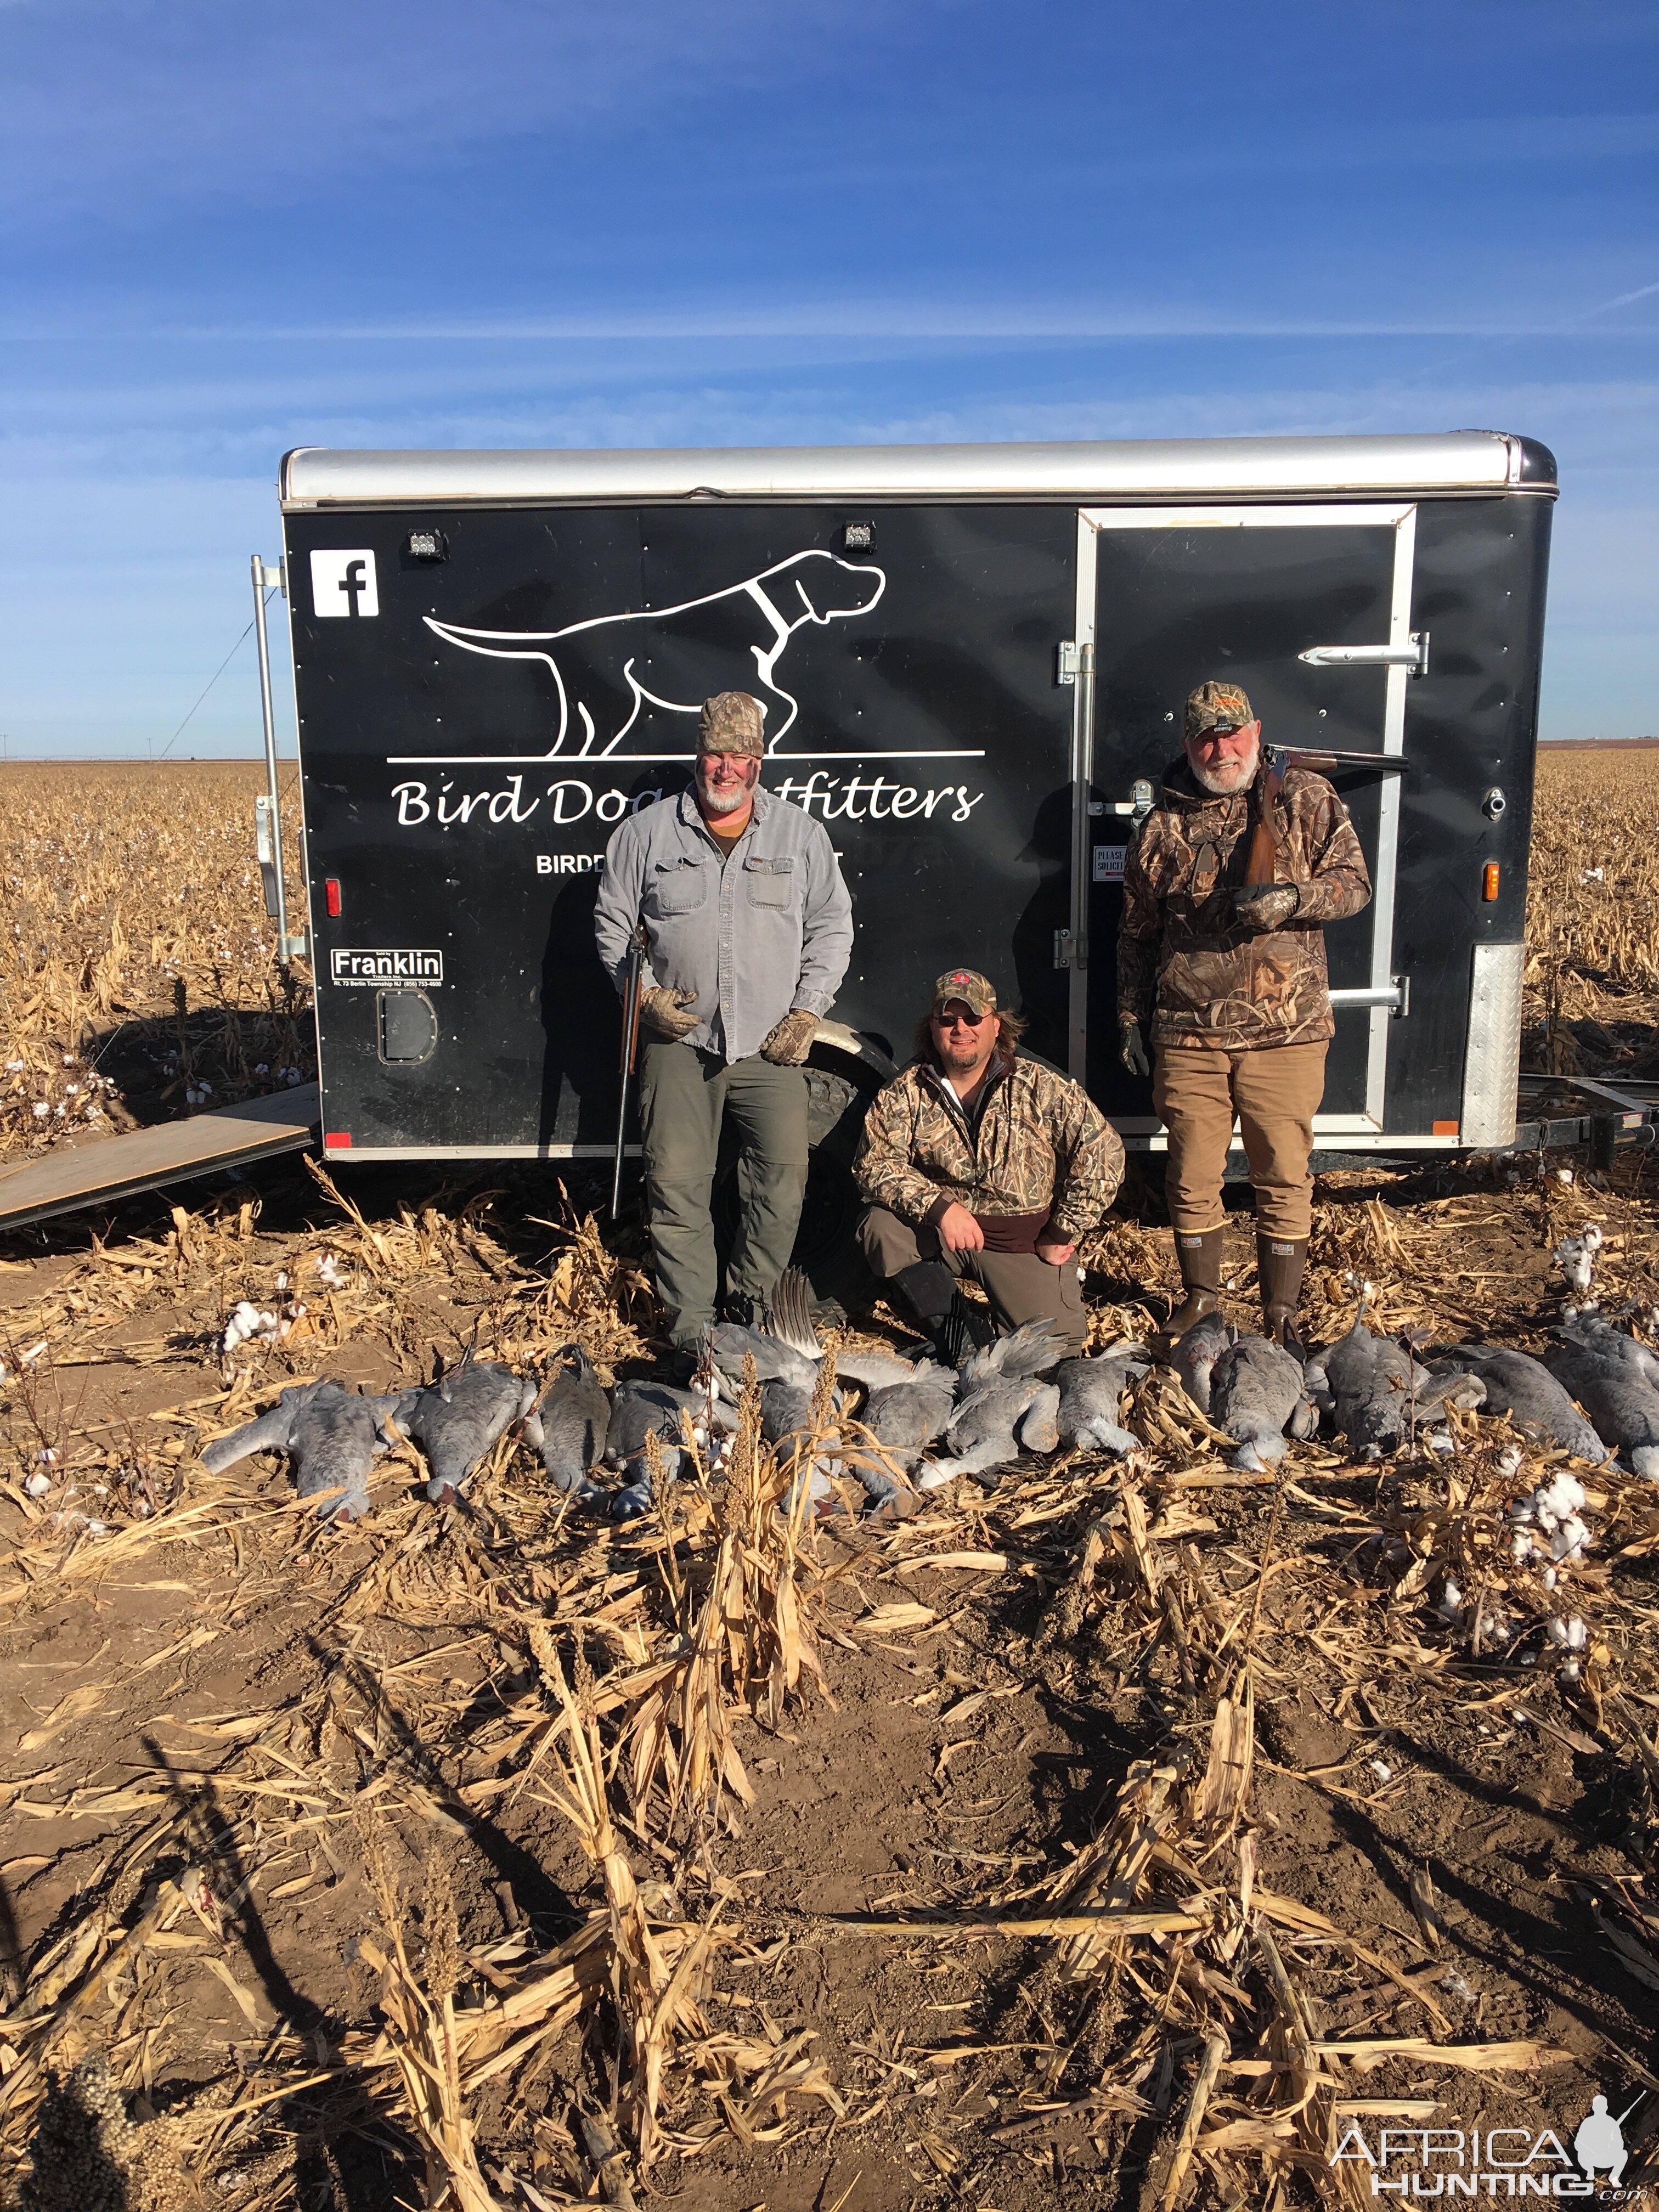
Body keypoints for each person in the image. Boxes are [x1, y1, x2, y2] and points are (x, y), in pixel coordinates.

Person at [594, 690, 854, 1365]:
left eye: (741, 755)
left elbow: (831, 925)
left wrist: (807, 1011)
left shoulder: (800, 836)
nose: (726, 768)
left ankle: (753, 1317)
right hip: (679, 1046)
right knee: (677, 1189)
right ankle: (691, 1337)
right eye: (715, 753)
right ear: (697, 754)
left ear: (760, 760)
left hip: (772, 1047)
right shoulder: (646, 835)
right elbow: (612, 928)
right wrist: (642, 997)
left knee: (781, 1182)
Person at [1116, 679, 1372, 1351]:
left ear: (1255, 733)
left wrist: (1292, 899)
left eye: (1232, 734)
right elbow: (1137, 933)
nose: (1220, 748)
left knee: (1283, 1174)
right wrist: (1126, 1016)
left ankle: (1280, 1313)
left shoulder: (1308, 799)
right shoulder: (1162, 825)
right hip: (1187, 1034)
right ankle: (1203, 1301)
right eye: (1206, 736)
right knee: (1191, 1174)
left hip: (1284, 1032)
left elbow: (1355, 885)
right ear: (1187, 744)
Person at [854, 967, 1124, 1359]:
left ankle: (1004, 1320)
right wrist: (941, 1209)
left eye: (972, 1018)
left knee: (1052, 1357)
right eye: (947, 1019)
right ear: (932, 1027)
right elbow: (873, 1164)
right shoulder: (907, 1089)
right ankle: (958, 1332)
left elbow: (1105, 1150)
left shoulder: (1038, 1084)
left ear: (996, 1026)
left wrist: (1063, 1230)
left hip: (1020, 1244)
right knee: (881, 1226)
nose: (960, 1028)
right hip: (944, 1234)